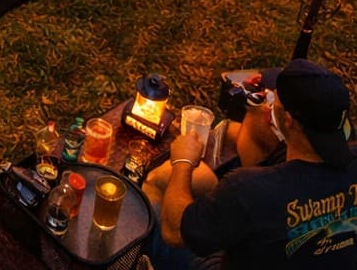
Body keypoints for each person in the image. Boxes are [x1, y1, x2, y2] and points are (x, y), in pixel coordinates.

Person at [152, 59, 357, 269]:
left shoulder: (248, 190)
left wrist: (183, 161)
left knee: (155, 190)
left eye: (272, 99)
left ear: (288, 120)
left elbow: (174, 232)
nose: (267, 102)